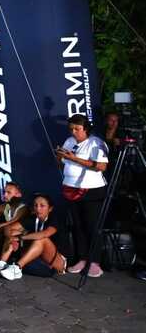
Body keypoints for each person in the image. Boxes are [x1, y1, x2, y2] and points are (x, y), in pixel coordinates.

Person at [57, 113, 109, 278]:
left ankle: (95, 262)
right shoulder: (69, 141)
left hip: (91, 190)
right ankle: (82, 259)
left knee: (91, 225)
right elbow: (62, 162)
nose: (73, 132)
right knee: (77, 226)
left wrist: (75, 159)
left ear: (86, 129)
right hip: (71, 188)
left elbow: (101, 166)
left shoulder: (96, 143)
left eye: (77, 129)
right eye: (71, 129)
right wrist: (60, 155)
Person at [0, 194, 67, 280]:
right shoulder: (34, 218)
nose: (38, 209)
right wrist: (11, 238)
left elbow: (45, 234)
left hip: (56, 265)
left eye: (42, 206)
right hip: (38, 262)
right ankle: (1, 264)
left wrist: (20, 237)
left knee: (41, 239)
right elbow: (8, 228)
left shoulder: (54, 219)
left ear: (50, 208)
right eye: (35, 205)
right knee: (13, 233)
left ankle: (17, 268)